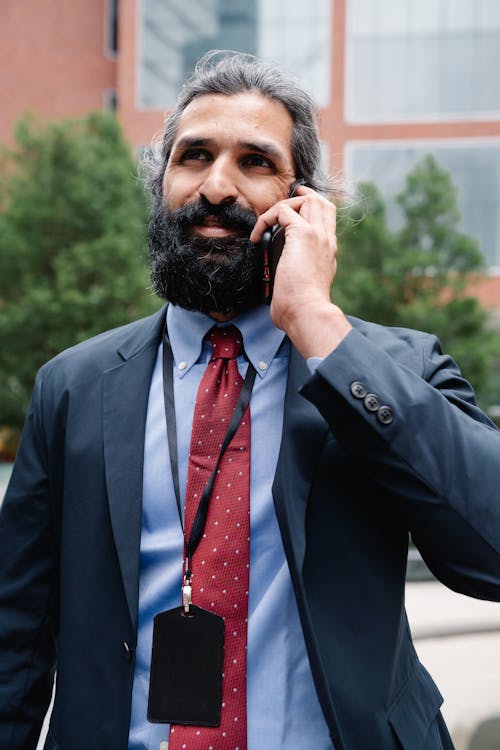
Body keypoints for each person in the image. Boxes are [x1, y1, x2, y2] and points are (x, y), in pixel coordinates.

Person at [1, 50, 499, 750]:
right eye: (193, 156)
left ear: (306, 205)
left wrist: (319, 325)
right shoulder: (72, 387)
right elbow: (14, 637)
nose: (215, 186)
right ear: (161, 182)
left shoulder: (397, 369)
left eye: (256, 162)